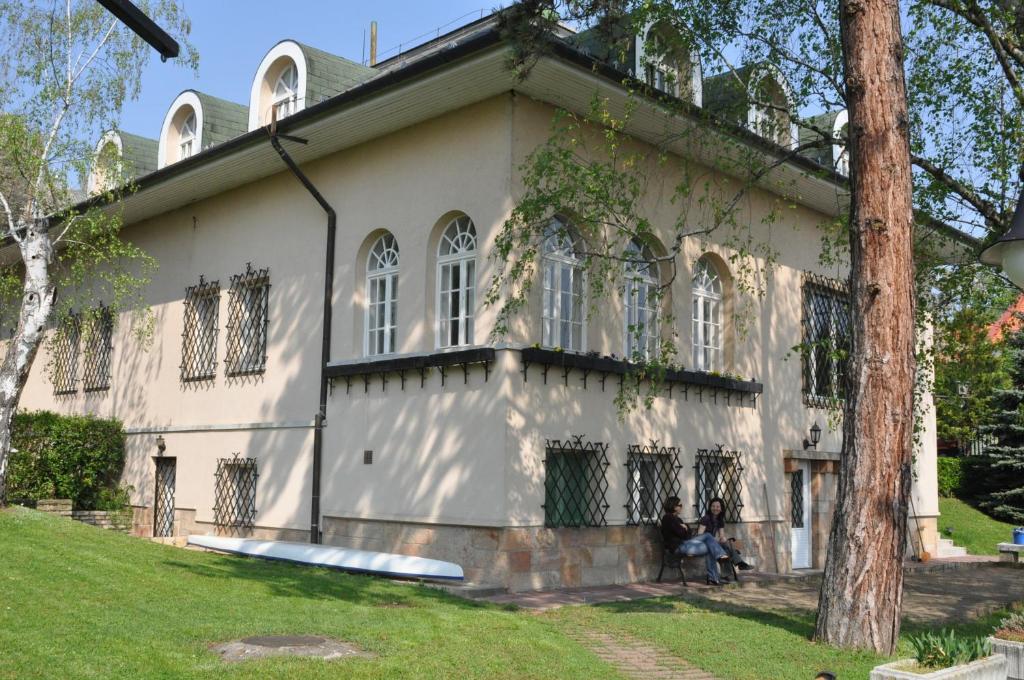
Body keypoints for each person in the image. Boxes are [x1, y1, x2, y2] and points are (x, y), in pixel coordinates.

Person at [661, 495, 730, 585]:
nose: (681, 507)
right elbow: (682, 533)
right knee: (710, 543)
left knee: (708, 537)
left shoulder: (677, 519)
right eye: (680, 505)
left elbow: (688, 533)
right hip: (678, 546)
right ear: (674, 506)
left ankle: (715, 575)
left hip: (686, 543)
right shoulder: (668, 518)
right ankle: (715, 574)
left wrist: (685, 528)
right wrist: (684, 528)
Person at [698, 496, 754, 576]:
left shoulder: (720, 520)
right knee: (726, 547)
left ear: (721, 508)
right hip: (705, 544)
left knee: (726, 550)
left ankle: (727, 575)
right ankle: (740, 564)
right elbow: (700, 535)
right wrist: (714, 539)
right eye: (713, 506)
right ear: (710, 507)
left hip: (714, 544)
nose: (715, 508)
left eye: (717, 506)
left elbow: (722, 535)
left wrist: (722, 538)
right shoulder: (705, 518)